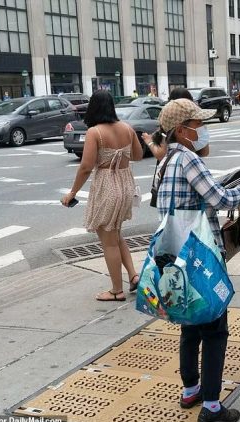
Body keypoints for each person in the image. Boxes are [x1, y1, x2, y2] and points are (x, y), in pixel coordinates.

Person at [154, 98, 240, 422]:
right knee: (214, 329)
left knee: (190, 326)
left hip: (175, 257)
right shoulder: (189, 159)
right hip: (200, 256)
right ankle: (211, 408)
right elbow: (220, 200)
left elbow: (185, 199)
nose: (204, 130)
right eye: (199, 125)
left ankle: (191, 389)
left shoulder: (166, 161)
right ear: (182, 130)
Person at [61, 91, 144, 301]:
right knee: (115, 234)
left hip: (107, 186)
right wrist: (120, 155)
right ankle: (133, 276)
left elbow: (86, 166)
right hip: (125, 184)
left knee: (108, 241)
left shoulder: (95, 132)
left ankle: (116, 290)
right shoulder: (127, 128)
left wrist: (72, 192)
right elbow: (138, 155)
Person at [143, 87, 209, 161]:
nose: (202, 125)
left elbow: (160, 155)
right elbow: (204, 152)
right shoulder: (173, 122)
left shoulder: (167, 120)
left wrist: (150, 142)